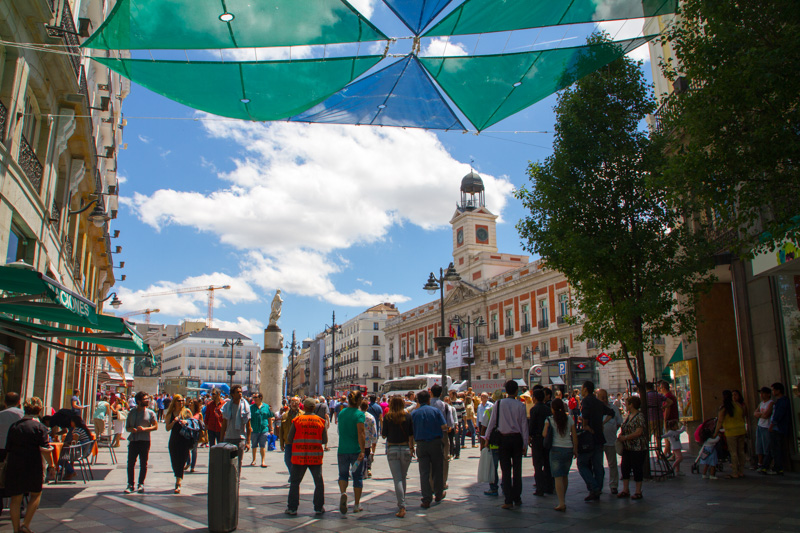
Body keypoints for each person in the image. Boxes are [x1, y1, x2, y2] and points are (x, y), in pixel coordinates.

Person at [5, 397, 54, 533]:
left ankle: (16, 529)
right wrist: (52, 465)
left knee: (16, 498)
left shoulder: (14, 426)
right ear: (39, 410)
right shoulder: (40, 427)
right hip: (33, 465)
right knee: (36, 494)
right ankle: (25, 525)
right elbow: (45, 449)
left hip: (15, 464)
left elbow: (8, 448)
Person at [485, 380, 529, 510]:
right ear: (516, 391)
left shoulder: (498, 404)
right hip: (517, 439)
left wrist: (487, 438)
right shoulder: (520, 406)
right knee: (517, 469)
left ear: (506, 391)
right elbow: (524, 426)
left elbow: (492, 422)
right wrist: (525, 443)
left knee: (505, 470)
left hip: (503, 440)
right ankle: (517, 497)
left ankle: (508, 499)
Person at [285, 397, 328, 516]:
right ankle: (319, 507)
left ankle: (292, 508)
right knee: (318, 482)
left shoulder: (297, 420)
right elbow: (324, 440)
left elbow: (289, 438)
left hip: (299, 456)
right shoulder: (320, 421)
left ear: (305, 407)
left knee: (295, 482)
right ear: (314, 408)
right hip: (315, 456)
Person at [577, 381, 615, 501]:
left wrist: (586, 425)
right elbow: (611, 412)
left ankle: (594, 487)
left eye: (582, 388)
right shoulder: (598, 402)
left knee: (582, 464)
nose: (581, 391)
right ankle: (597, 489)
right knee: (598, 466)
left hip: (589, 437)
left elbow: (585, 418)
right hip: (599, 437)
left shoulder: (586, 401)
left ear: (586, 389)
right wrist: (602, 423)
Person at [411, 390, 447, 509]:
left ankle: (426, 499)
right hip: (435, 442)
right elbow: (444, 426)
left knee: (424, 472)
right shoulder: (435, 411)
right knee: (438, 469)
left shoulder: (414, 413)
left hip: (421, 444)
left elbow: (411, 432)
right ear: (428, 400)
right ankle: (438, 494)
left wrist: (411, 446)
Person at [382, 396, 415, 517]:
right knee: (403, 477)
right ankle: (402, 501)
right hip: (406, 448)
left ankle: (402, 506)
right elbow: (411, 435)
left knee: (397, 479)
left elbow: (384, 435)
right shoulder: (408, 416)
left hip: (393, 449)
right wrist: (412, 448)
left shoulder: (388, 417)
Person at [544, 398, 578, 512]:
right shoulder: (569, 419)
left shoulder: (549, 420)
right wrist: (575, 449)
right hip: (568, 448)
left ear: (552, 408)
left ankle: (561, 502)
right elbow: (574, 435)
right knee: (565, 475)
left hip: (556, 449)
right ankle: (563, 498)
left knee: (557, 477)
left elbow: (544, 434)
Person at [337, 390, 366, 514]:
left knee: (343, 475)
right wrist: (363, 450)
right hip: (355, 450)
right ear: (359, 401)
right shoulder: (359, 415)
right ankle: (356, 504)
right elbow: (361, 433)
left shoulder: (342, 413)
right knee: (357, 477)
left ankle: (343, 493)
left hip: (342, 449)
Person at [125, 391, 158, 493]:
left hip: (145, 441)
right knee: (130, 463)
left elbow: (155, 426)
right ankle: (130, 484)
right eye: (145, 399)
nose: (147, 400)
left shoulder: (150, 413)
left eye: (147, 398)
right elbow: (127, 427)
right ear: (139, 401)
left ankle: (141, 483)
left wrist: (145, 429)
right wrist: (132, 429)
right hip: (133, 441)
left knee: (143, 463)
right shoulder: (132, 413)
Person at [618, 396, 647, 500]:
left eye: (627, 403)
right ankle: (626, 489)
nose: (625, 405)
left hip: (637, 447)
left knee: (637, 468)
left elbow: (639, 432)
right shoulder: (628, 416)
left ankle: (638, 491)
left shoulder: (639, 416)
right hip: (627, 447)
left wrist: (626, 437)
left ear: (632, 405)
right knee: (625, 467)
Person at [164, 394, 193, 494]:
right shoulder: (170, 413)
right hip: (174, 440)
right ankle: (178, 476)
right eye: (179, 401)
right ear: (174, 402)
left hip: (185, 440)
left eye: (182, 401)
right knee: (175, 462)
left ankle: (178, 483)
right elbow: (167, 428)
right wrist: (174, 422)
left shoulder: (187, 411)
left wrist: (187, 422)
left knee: (181, 462)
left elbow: (193, 424)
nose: (181, 402)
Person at [714, 389, 746, 478]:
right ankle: (741, 471)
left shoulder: (724, 407)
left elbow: (719, 421)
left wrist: (715, 433)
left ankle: (735, 472)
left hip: (731, 432)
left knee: (733, 452)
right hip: (741, 430)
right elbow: (743, 416)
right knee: (741, 451)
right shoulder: (739, 405)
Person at [221, 384, 252, 474]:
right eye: (237, 392)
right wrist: (221, 440)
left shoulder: (245, 407)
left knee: (238, 464)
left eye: (241, 392)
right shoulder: (227, 406)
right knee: (227, 463)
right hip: (229, 438)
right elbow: (224, 425)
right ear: (232, 394)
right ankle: (228, 483)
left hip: (240, 439)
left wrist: (248, 442)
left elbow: (248, 426)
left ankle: (236, 484)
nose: (240, 394)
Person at [529, 388, 554, 497]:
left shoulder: (534, 410)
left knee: (538, 464)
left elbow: (532, 425)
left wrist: (529, 436)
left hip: (537, 438)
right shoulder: (547, 409)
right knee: (548, 463)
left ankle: (540, 488)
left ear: (534, 398)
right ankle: (549, 486)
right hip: (547, 438)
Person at [597, 388, 622, 494]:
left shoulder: (613, 408)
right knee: (598, 464)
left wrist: (614, 430)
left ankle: (613, 485)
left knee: (612, 463)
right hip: (598, 441)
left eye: (605, 396)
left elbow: (619, 422)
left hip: (611, 440)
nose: (603, 399)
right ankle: (598, 485)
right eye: (601, 397)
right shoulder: (595, 409)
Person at [763, 382, 790, 475]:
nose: (773, 392)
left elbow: (778, 415)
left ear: (778, 390)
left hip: (777, 428)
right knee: (773, 448)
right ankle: (767, 466)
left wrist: (772, 424)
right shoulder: (779, 401)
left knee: (776, 449)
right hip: (777, 428)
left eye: (774, 390)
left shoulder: (782, 401)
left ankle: (778, 468)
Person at [430, 384, 453, 487]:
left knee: (430, 459)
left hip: (429, 434)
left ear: (431, 392)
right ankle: (443, 482)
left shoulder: (426, 404)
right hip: (442, 434)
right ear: (441, 394)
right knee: (444, 459)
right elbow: (450, 423)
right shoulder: (445, 405)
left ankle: (431, 482)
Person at [480, 396, 502, 497]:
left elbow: (483, 428)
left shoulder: (489, 411)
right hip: (504, 442)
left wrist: (483, 443)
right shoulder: (505, 411)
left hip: (492, 443)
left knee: (493, 467)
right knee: (506, 467)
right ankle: (506, 487)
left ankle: (493, 488)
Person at [249, 392, 274, 468]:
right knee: (254, 445)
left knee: (262, 445)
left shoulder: (266, 407)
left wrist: (271, 429)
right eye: (254, 397)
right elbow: (249, 419)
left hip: (264, 429)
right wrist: (249, 427)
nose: (254, 399)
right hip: (254, 429)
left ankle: (263, 461)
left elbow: (269, 418)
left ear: (260, 398)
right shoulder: (251, 407)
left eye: (255, 397)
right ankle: (254, 460)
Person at [753, 386, 774, 471]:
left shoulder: (771, 403)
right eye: (760, 393)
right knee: (759, 446)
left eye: (763, 393)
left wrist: (760, 414)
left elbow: (766, 415)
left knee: (767, 447)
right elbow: (755, 413)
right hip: (760, 426)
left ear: (768, 394)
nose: (761, 395)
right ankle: (760, 463)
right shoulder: (761, 403)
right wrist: (762, 414)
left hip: (767, 427)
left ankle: (768, 464)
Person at [281, 397, 301, 482]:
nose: (294, 403)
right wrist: (281, 443)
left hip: (299, 442)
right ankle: (293, 474)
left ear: (299, 403)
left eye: (296, 402)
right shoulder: (285, 415)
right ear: (290, 403)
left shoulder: (302, 415)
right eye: (293, 401)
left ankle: (294, 476)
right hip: (288, 441)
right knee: (287, 460)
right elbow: (281, 430)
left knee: (297, 462)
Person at [0, 392, 24, 457]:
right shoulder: (23, 415)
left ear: (5, 402)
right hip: (16, 447)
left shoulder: (1, 414)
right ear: (19, 402)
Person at [360, 399, 378, 479]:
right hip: (367, 441)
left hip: (359, 441)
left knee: (360, 455)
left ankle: (361, 469)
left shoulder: (357, 416)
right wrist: (374, 441)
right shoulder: (370, 417)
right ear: (367, 407)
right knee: (367, 454)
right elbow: (374, 430)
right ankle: (368, 469)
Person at [660, 382, 679, 456]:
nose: (660, 389)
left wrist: (664, 420)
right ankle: (670, 453)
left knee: (669, 438)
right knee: (672, 438)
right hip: (673, 419)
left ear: (664, 388)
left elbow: (667, 410)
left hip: (670, 420)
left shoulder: (668, 397)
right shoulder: (671, 396)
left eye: (661, 388)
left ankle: (665, 454)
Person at [186, 398, 204, 473]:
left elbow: (202, 424)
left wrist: (203, 433)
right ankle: (188, 463)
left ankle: (192, 466)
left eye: (192, 403)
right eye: (189, 403)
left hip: (195, 433)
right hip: (187, 432)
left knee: (194, 450)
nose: (190, 404)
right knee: (186, 449)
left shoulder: (198, 414)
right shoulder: (186, 412)